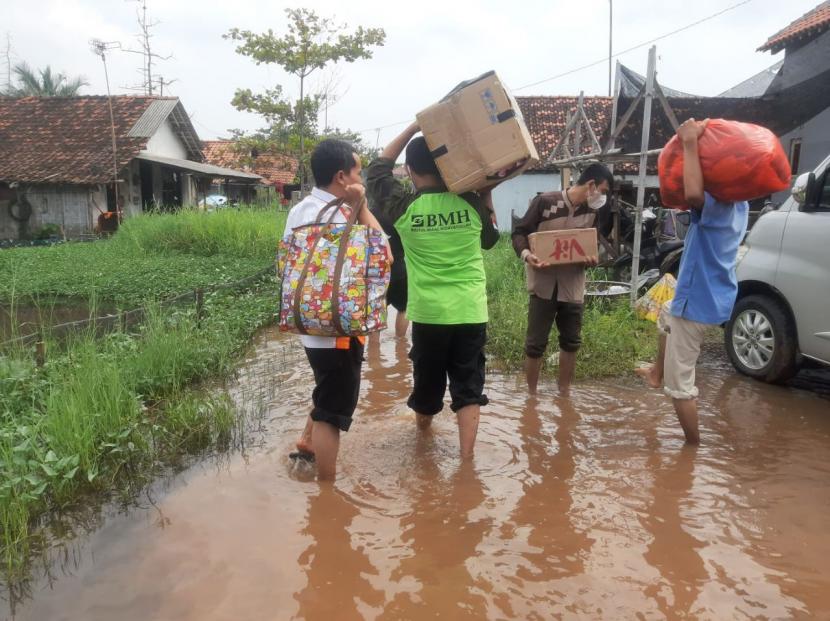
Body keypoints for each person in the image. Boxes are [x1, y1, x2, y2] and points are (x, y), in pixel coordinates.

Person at [366, 122, 500, 458]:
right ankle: (467, 462)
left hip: (428, 314)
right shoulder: (470, 202)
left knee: (427, 387)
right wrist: (486, 193)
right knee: (468, 388)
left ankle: (423, 442)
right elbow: (490, 240)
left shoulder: (403, 207)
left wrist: (415, 125)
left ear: (410, 171)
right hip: (470, 311)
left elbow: (378, 169)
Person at [636, 118, 749, 444]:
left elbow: (694, 195)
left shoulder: (721, 205)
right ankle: (657, 373)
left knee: (681, 386)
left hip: (696, 303)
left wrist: (688, 143)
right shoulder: (740, 205)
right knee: (664, 315)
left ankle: (691, 448)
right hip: (713, 296)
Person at [286, 138, 386, 481]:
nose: (362, 179)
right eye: (359, 172)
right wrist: (362, 206)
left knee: (325, 389)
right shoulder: (347, 213)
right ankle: (326, 490)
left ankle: (306, 444)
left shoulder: (299, 210)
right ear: (342, 177)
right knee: (332, 412)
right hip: (339, 330)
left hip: (309, 326)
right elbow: (383, 251)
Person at [511, 164, 612, 396]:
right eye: (603, 191)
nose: (603, 197)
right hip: (542, 285)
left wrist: (591, 259)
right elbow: (519, 232)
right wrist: (528, 255)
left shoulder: (593, 212)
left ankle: (564, 394)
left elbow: (590, 245)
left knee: (571, 342)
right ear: (591, 185)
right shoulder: (545, 202)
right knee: (535, 345)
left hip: (573, 287)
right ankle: (531, 397)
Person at [370, 200, 409, 337]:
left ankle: (373, 350)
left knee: (377, 311)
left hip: (376, 271)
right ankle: (401, 343)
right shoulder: (399, 212)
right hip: (399, 269)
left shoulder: (369, 213)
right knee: (404, 309)